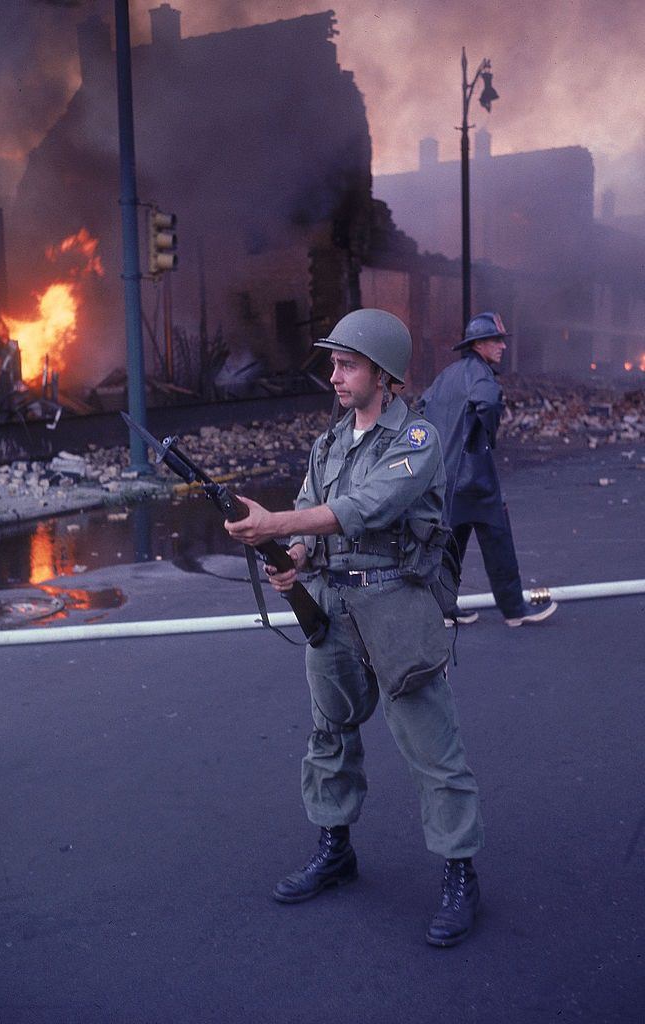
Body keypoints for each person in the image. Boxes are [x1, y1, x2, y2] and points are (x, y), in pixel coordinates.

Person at [225, 308, 483, 948]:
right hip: (333, 610)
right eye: (334, 364)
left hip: (398, 610)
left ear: (384, 374)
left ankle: (459, 874)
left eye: (347, 364)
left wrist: (279, 526)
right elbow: (317, 516)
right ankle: (334, 848)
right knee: (330, 735)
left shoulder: (416, 440)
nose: (334, 376)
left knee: (433, 749)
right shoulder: (329, 442)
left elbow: (365, 508)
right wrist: (294, 561)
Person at [419, 311, 557, 628]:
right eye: (497, 340)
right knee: (498, 541)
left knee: (450, 545)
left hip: (445, 478)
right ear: (479, 344)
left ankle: (443, 610)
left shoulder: (448, 374)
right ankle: (515, 611)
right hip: (475, 477)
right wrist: (489, 434)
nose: (502, 347)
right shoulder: (481, 376)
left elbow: (422, 409)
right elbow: (489, 403)